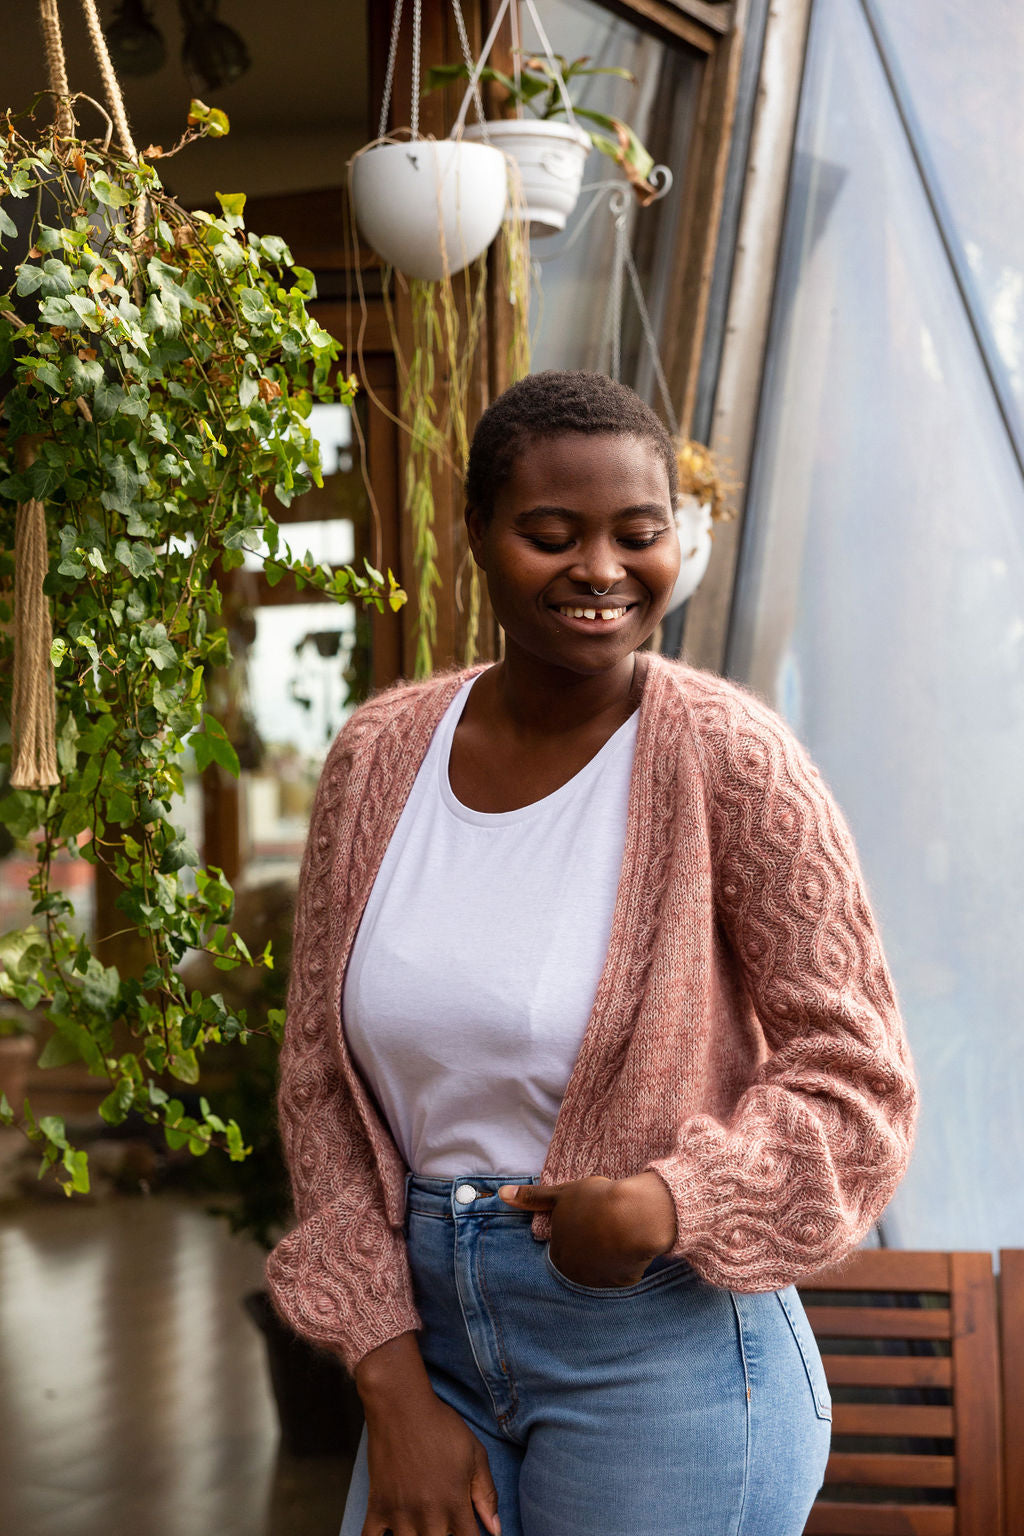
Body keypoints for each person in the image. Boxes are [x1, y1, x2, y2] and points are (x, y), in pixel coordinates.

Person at [266, 371, 918, 1536]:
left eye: (639, 532)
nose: (602, 570)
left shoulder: (732, 759)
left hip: (663, 1351)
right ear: (478, 536)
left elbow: (857, 1081)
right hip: (426, 1339)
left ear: (679, 538)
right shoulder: (377, 762)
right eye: (551, 534)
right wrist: (389, 1382)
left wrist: (672, 1200)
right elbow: (319, 1088)